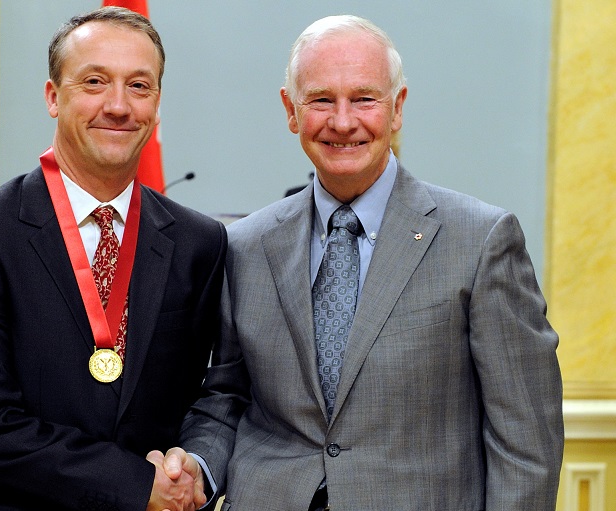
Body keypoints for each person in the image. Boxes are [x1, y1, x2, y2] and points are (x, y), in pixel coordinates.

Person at [177, 14, 564, 510]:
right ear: (290, 111)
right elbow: (227, 397)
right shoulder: (245, 245)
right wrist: (198, 467)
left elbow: (526, 440)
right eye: (320, 99)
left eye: (364, 98)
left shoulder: (481, 240)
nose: (342, 121)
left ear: (397, 107)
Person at [0, 7, 224, 511]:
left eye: (139, 86)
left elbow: (215, 391)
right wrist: (134, 485)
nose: (117, 105)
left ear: (157, 104)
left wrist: (193, 464)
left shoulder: (200, 241)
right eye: (94, 82)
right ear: (52, 97)